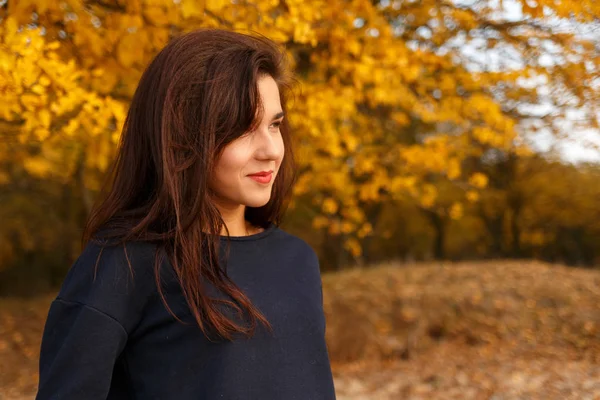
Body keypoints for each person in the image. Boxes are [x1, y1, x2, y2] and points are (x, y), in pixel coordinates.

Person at [35, 28, 337, 399]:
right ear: (183, 135)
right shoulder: (124, 265)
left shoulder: (297, 259)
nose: (271, 150)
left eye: (274, 124)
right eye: (243, 129)